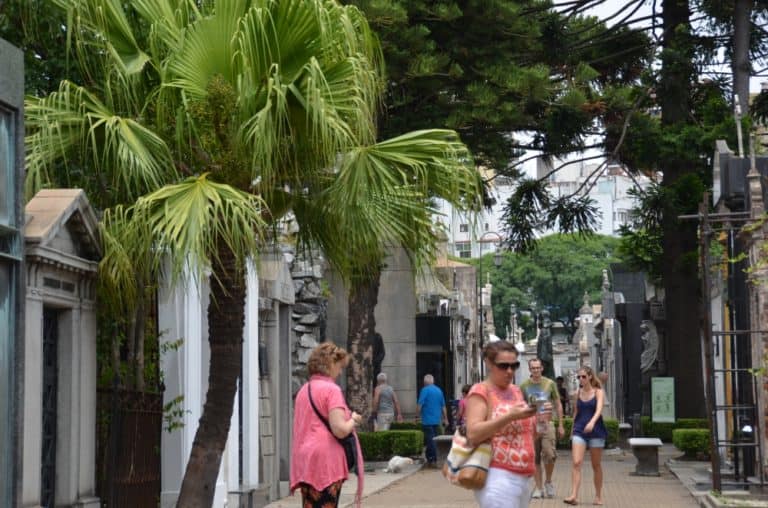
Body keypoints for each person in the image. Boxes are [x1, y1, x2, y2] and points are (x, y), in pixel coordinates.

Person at [465, 341, 545, 508]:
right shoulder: (481, 391)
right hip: (497, 475)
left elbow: (530, 435)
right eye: (503, 366)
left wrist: (540, 419)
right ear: (488, 363)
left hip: (524, 477)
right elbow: (473, 433)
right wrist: (509, 416)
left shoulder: (515, 391)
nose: (509, 371)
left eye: (514, 365)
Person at [290, 342, 364, 507]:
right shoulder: (332, 390)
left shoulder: (304, 390)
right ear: (331, 364)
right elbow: (340, 430)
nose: (340, 371)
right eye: (340, 366)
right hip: (326, 461)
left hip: (305, 460)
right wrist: (354, 419)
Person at [520, 358, 565, 499]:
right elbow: (519, 406)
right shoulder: (524, 386)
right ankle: (538, 488)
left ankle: (548, 481)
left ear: (542, 368)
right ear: (529, 370)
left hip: (547, 424)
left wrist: (561, 424)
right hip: (531, 425)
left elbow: (558, 404)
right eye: (533, 368)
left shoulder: (550, 384)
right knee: (535, 458)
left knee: (550, 454)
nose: (536, 370)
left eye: (538, 368)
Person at [564, 366, 607, 506]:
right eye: (579, 377)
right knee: (576, 462)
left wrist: (592, 422)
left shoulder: (598, 392)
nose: (581, 379)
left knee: (596, 465)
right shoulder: (578, 393)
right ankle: (574, 495)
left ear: (589, 377)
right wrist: (571, 431)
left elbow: (599, 409)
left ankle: (598, 496)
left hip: (596, 430)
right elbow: (576, 412)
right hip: (579, 430)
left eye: (583, 376)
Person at [417, 374, 448, 468]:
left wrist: (416, 416)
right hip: (436, 420)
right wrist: (445, 418)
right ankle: (430, 457)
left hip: (427, 420)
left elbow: (420, 404)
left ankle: (433, 459)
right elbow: (443, 406)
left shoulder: (424, 390)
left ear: (425, 382)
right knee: (433, 439)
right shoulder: (439, 390)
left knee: (430, 440)